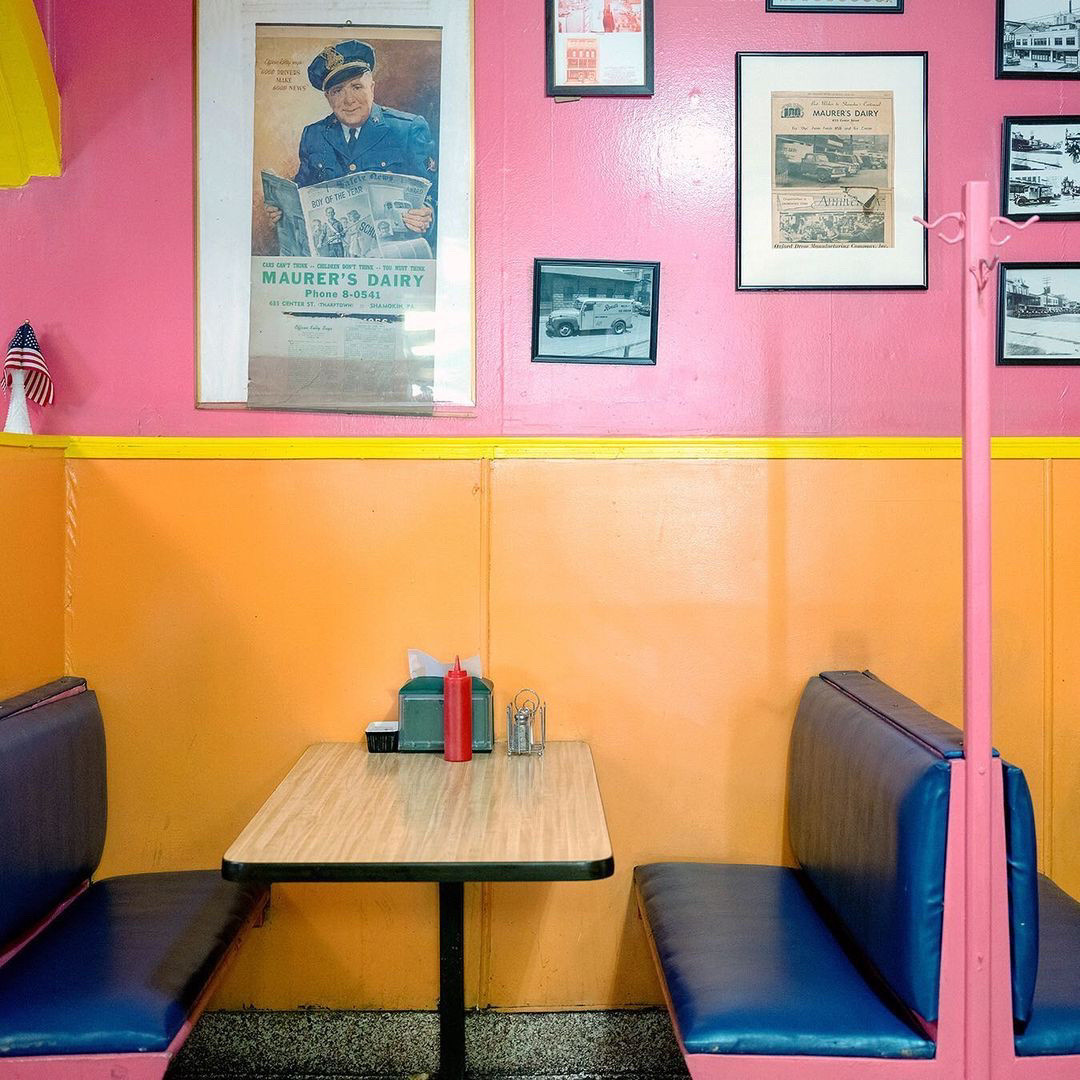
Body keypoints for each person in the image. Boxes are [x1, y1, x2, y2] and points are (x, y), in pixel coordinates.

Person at [266, 40, 436, 242]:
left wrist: (428, 214)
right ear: (328, 97)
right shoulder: (314, 135)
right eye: (338, 91)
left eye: (356, 87)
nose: (349, 100)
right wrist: (280, 211)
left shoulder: (407, 129)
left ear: (371, 88)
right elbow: (302, 194)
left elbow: (434, 195)